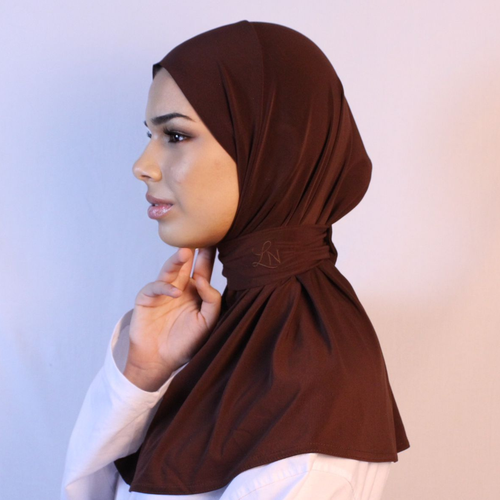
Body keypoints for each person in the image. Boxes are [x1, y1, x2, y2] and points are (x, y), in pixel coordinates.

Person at [61, 19, 409, 500]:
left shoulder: (309, 388)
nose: (143, 166)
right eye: (150, 135)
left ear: (273, 150)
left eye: (175, 135)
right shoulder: (239, 330)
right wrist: (142, 375)